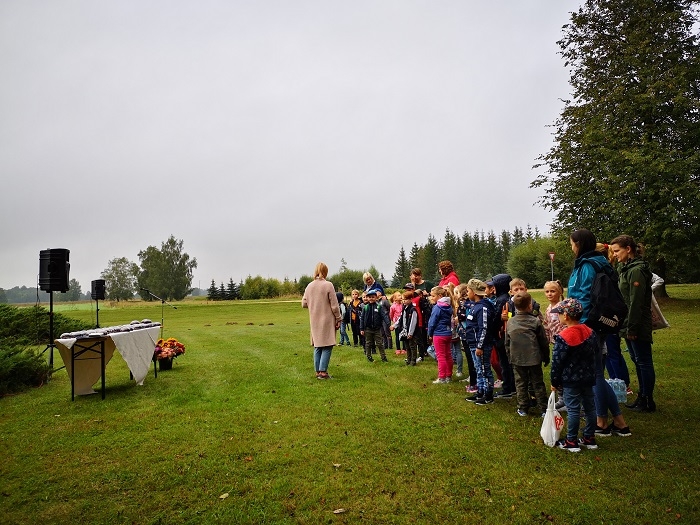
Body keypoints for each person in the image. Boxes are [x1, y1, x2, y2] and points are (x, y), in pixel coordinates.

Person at [567, 229, 630, 434]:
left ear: (579, 244)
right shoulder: (599, 262)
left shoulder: (586, 265)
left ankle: (602, 422)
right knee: (597, 374)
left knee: (594, 375)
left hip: (588, 324)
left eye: (572, 243)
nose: (571, 247)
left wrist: (577, 322)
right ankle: (619, 423)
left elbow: (583, 296)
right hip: (598, 323)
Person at [610, 234, 656, 413]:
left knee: (644, 361)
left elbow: (635, 302)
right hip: (628, 322)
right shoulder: (626, 268)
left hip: (636, 323)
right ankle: (642, 396)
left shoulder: (637, 270)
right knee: (637, 360)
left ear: (628, 249)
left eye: (617, 251)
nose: (614, 255)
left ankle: (647, 399)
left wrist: (632, 328)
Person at [549, 298, 598, 452]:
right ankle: (589, 438)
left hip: (570, 379)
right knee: (590, 408)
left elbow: (557, 361)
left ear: (566, 316)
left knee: (573, 409)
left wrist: (554, 381)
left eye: (560, 313)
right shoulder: (590, 332)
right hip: (588, 378)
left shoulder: (564, 337)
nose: (558, 316)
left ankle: (571, 441)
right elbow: (595, 354)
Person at [505, 292, 550, 417]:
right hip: (534, 358)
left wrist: (510, 356)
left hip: (517, 358)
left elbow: (507, 342)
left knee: (520, 383)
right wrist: (546, 357)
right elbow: (543, 342)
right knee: (538, 383)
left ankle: (523, 408)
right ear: (530, 305)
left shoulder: (510, 322)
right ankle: (543, 409)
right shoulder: (535, 322)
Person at [301, 262, 342, 380]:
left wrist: (314, 303)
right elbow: (334, 305)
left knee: (318, 346)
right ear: (325, 272)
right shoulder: (328, 285)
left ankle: (318, 371)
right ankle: (323, 372)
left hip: (314, 320)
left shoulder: (309, 286)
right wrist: (339, 318)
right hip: (327, 319)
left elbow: (303, 303)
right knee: (328, 345)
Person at [463, 279, 497, 405]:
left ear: (474, 292)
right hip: (473, 344)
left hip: (481, 345)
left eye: (468, 291)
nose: (467, 294)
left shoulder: (483, 307)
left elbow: (484, 328)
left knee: (484, 369)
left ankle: (488, 395)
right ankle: (481, 391)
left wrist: (480, 346)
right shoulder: (475, 306)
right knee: (478, 369)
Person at [490, 273, 515, 399]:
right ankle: (511, 385)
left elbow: (497, 319)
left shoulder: (501, 300)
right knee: (506, 362)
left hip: (501, 335)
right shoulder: (503, 298)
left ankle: (508, 388)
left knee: (505, 363)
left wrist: (492, 330)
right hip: (501, 334)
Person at [427, 286, 454, 383]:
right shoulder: (449, 306)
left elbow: (432, 322)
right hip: (448, 333)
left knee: (440, 356)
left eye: (433, 296)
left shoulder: (437, 307)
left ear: (439, 296)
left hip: (439, 334)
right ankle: (448, 376)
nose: (431, 298)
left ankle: (442, 377)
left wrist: (430, 333)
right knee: (448, 355)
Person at [455, 283, 478, 393]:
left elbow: (464, 318)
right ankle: (473, 379)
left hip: (467, 333)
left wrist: (458, 319)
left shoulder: (463, 303)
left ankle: (474, 383)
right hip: (468, 333)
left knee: (471, 358)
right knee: (472, 358)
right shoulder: (470, 303)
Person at [360, 289, 390, 363]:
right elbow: (362, 318)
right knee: (368, 343)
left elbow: (384, 316)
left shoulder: (379, 307)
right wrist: (362, 328)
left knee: (379, 343)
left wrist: (388, 324)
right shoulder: (365, 307)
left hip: (377, 329)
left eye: (373, 297)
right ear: (367, 298)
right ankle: (369, 356)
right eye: (369, 297)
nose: (371, 298)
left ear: (376, 298)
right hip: (368, 329)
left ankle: (383, 357)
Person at [396, 290, 419, 365]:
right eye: (402, 299)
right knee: (407, 346)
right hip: (405, 330)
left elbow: (413, 322)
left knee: (412, 346)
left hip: (411, 332)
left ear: (410, 299)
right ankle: (408, 359)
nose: (403, 301)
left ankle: (413, 360)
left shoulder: (413, 309)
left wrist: (411, 333)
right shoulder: (404, 308)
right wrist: (395, 325)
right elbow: (401, 318)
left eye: (405, 299)